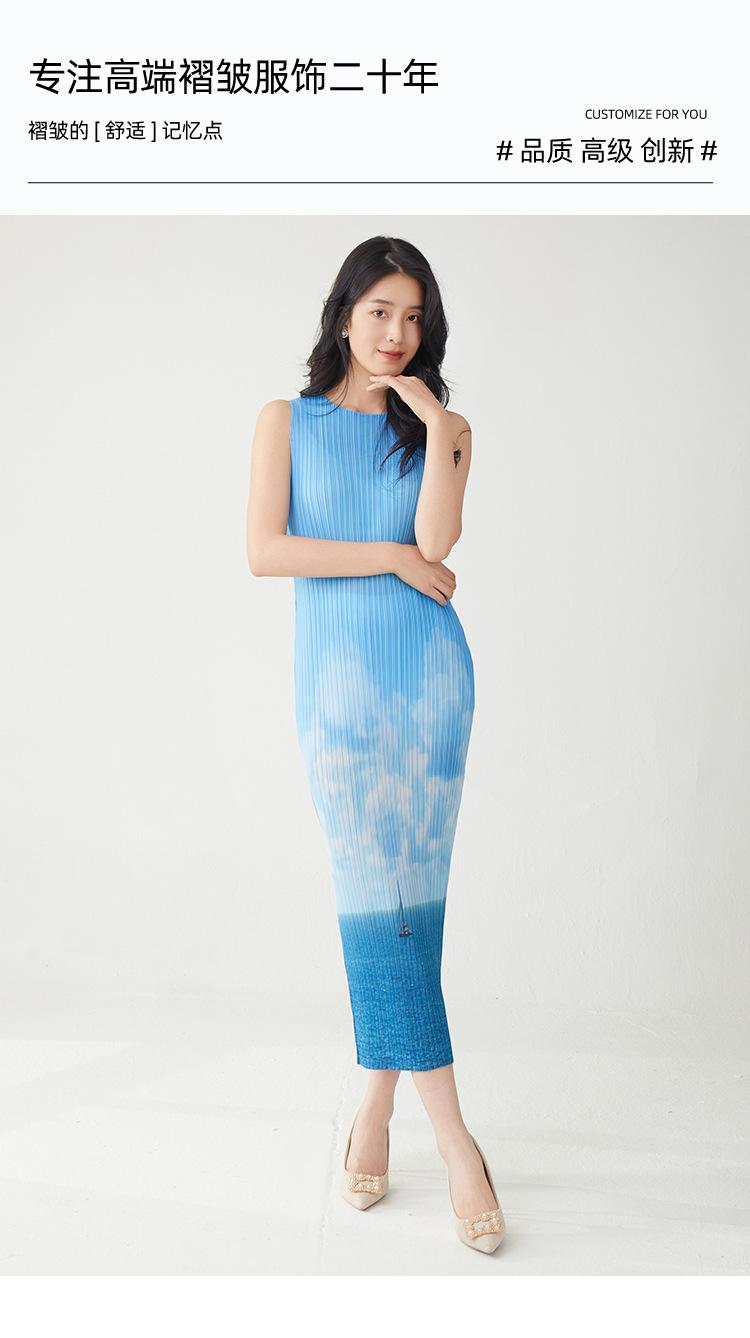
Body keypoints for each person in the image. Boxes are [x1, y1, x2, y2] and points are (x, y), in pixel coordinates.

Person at [246, 235, 504, 1252]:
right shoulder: (287, 420)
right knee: (376, 901)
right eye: (380, 312)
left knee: (411, 908)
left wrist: (435, 425)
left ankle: (375, 1109)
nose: (397, 334)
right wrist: (389, 556)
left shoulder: (446, 430)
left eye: (414, 317)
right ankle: (455, 1140)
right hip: (338, 696)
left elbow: (438, 543)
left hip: (432, 686)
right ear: (344, 313)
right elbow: (266, 550)